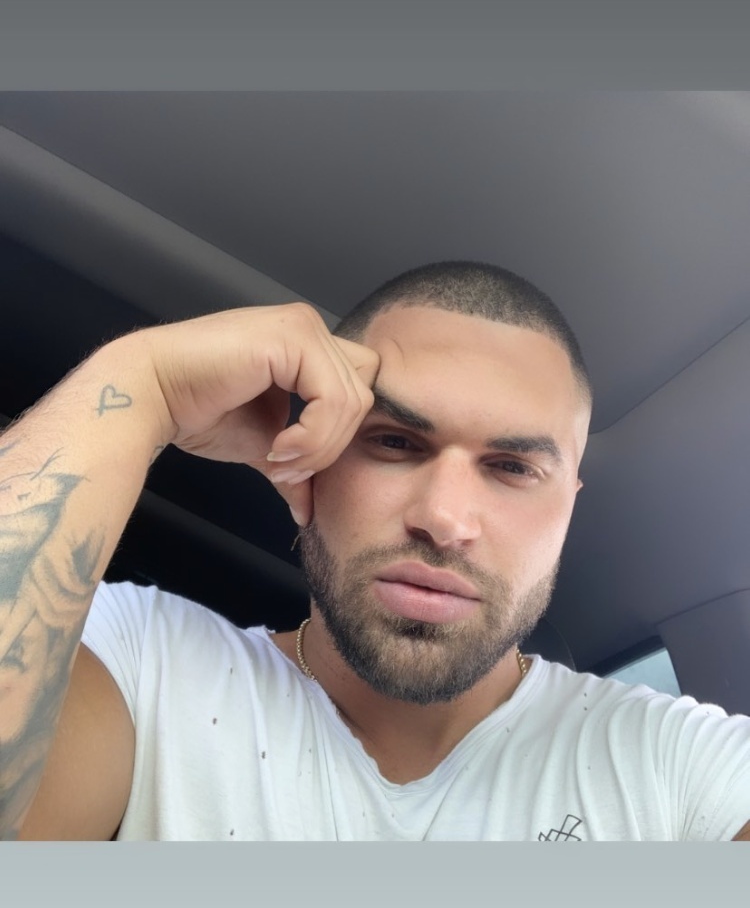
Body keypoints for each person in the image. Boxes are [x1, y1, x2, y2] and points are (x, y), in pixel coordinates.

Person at [2, 260, 750, 841]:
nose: (445, 520)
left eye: (512, 467)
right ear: (315, 458)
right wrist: (139, 384)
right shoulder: (139, 661)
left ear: (568, 509)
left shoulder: (682, 763)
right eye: (394, 443)